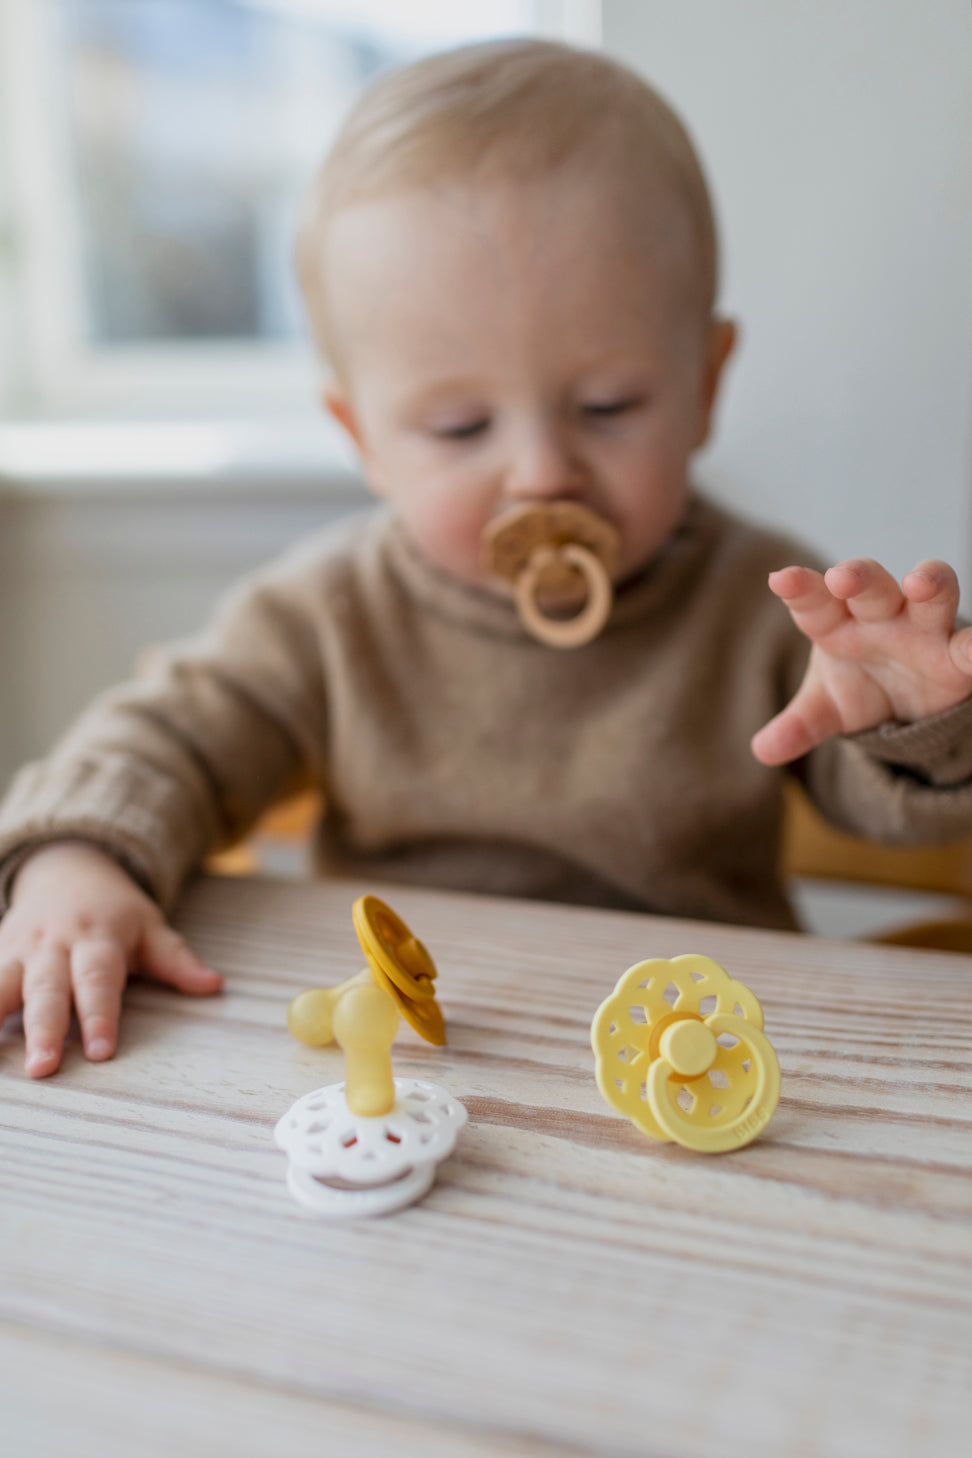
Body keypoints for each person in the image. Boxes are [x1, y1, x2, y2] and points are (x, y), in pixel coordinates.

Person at [2, 38, 972, 1080]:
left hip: (685, 1060)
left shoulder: (769, 601)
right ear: (362, 437)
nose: (542, 474)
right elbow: (168, 741)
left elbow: (882, 806)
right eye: (463, 427)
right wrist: (77, 858)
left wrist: (908, 721)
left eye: (607, 408)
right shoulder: (329, 614)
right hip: (415, 1062)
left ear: (706, 383)